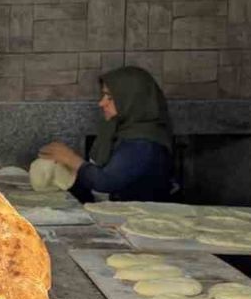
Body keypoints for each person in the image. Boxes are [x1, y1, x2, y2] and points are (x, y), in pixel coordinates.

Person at [38, 66, 175, 203]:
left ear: (131, 100)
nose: (101, 103)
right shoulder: (114, 129)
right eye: (103, 95)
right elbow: (94, 184)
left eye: (110, 98)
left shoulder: (143, 142)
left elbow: (106, 182)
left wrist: (71, 159)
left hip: (139, 214)